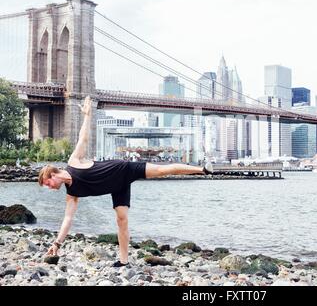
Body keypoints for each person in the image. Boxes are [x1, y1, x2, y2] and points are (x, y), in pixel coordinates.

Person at [38, 96, 213, 267]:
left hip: (124, 169)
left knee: (160, 170)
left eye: (47, 183)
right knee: (122, 220)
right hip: (118, 187)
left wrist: (87, 115)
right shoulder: (72, 194)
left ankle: (202, 170)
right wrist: (57, 244)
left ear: (52, 175)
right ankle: (124, 261)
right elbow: (67, 219)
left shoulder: (74, 162)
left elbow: (83, 138)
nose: (49, 187)